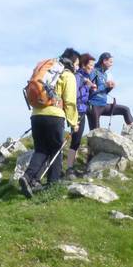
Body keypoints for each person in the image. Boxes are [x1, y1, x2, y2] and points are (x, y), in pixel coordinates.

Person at [19, 48, 80, 198]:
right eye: (77, 64)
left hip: (36, 114)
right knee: (56, 150)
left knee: (41, 150)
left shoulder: (49, 72)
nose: (78, 67)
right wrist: (73, 123)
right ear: (72, 62)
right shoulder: (67, 75)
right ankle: (53, 185)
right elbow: (70, 102)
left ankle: (28, 178)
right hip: (54, 116)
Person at [88, 52, 133, 130]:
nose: (111, 64)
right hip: (94, 106)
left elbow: (103, 92)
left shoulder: (105, 74)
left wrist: (109, 88)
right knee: (95, 132)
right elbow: (91, 91)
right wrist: (105, 85)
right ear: (104, 61)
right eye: (110, 62)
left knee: (125, 109)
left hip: (103, 105)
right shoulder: (93, 71)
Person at [66, 53, 96, 175]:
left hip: (82, 110)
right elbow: (73, 96)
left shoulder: (85, 77)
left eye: (93, 66)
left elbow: (86, 96)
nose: (92, 68)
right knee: (76, 139)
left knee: (77, 139)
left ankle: (71, 167)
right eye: (90, 65)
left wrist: (90, 88)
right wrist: (86, 85)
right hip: (77, 110)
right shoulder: (78, 77)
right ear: (83, 65)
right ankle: (69, 169)